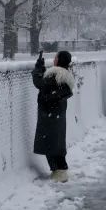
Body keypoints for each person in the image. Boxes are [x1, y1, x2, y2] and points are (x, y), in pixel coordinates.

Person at [32, 50, 77, 182]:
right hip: (57, 114)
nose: (54, 58)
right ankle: (61, 170)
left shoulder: (55, 75)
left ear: (58, 60)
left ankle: (58, 172)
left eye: (56, 57)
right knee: (56, 144)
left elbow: (40, 83)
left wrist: (38, 68)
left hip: (49, 115)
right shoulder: (64, 75)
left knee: (50, 144)